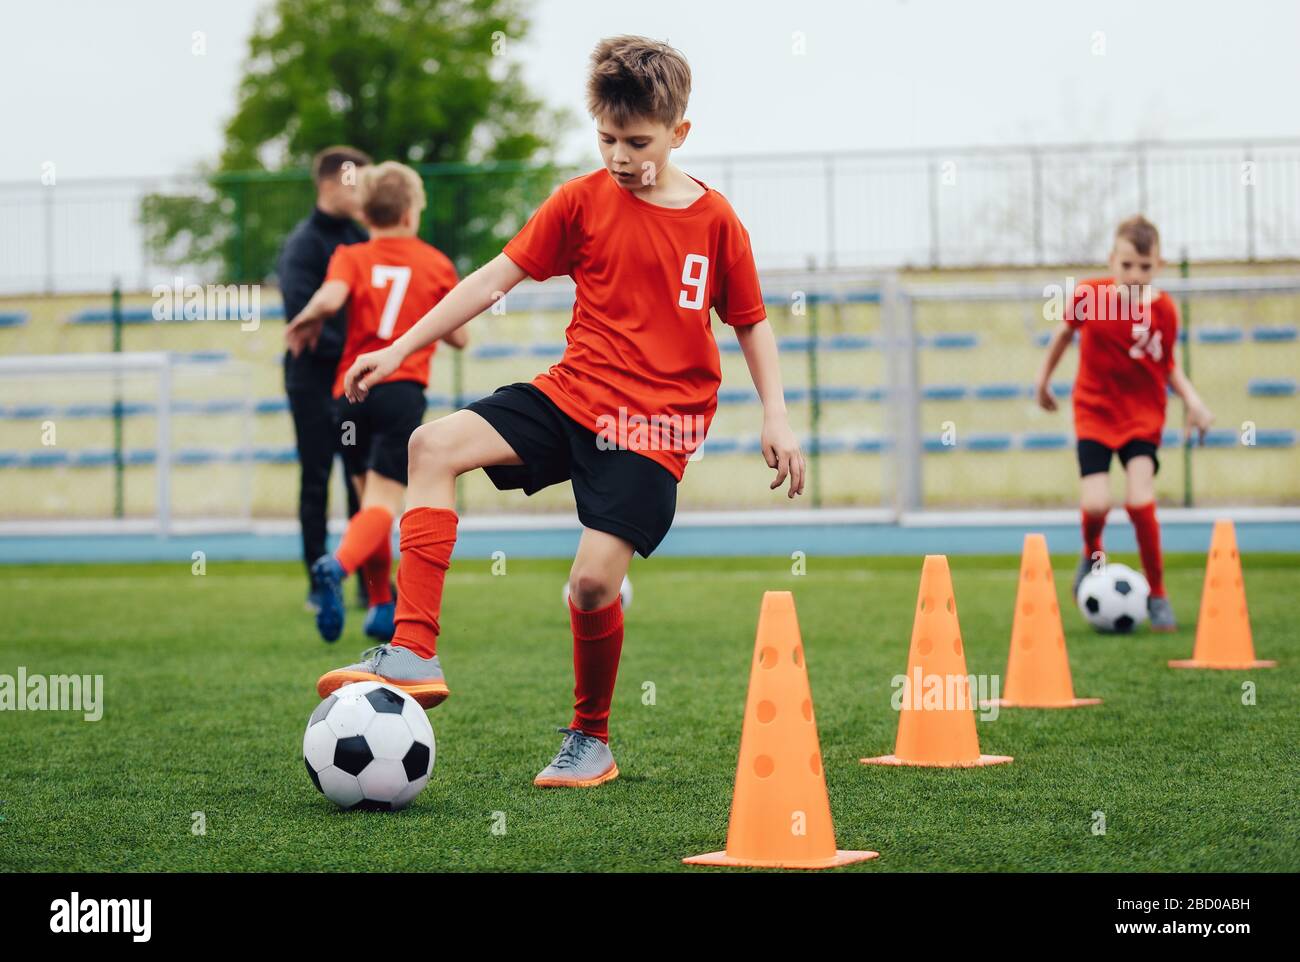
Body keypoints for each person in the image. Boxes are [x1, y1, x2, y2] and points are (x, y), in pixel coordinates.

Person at [316, 35, 805, 788]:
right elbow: (489, 279)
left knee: (590, 587)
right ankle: (413, 647)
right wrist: (399, 346)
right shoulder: (579, 201)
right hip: (572, 393)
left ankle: (592, 738)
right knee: (430, 446)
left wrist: (776, 414)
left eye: (636, 141)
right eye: (606, 137)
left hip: (654, 428)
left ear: (679, 134)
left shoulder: (716, 222)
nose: (618, 154)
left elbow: (750, 320)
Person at [285, 161, 466, 643]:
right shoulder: (434, 263)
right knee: (384, 505)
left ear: (365, 214)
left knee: (369, 505)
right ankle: (337, 566)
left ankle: (382, 606)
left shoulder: (350, 255)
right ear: (411, 212)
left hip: (352, 391)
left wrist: (306, 318)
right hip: (401, 389)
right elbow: (461, 335)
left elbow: (329, 297)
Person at [1035, 215, 1214, 630]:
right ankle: (1093, 550)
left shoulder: (1165, 312)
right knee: (1096, 503)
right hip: (1094, 412)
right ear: (1111, 260)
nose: (1135, 275)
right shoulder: (1089, 296)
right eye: (1127, 264)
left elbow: (1168, 367)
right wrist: (1042, 381)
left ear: (1159, 266)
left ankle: (1158, 593)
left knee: (1138, 501)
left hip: (1142, 416)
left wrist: (1194, 402)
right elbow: (1063, 336)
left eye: (1145, 267)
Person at [277, 145, 373, 610]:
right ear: (331, 183)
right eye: (360, 182)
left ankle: (363, 581)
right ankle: (319, 580)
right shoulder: (303, 245)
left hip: (353, 382)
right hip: (313, 380)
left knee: (361, 481)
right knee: (316, 478)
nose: (366, 192)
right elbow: (303, 322)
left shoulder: (361, 237)